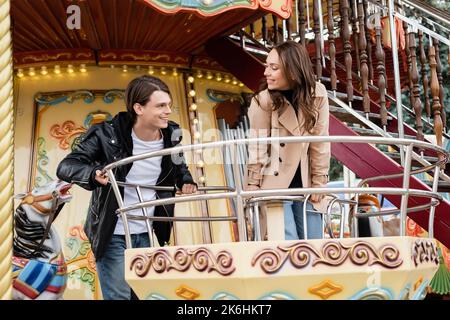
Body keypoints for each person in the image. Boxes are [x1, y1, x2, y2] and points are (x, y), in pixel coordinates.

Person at [57, 75, 197, 300]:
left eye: (169, 105)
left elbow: (179, 165)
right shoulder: (107, 133)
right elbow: (67, 166)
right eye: (161, 105)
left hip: (144, 230)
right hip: (113, 232)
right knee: (120, 297)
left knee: (142, 296)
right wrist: (93, 174)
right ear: (139, 108)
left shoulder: (172, 134)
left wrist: (186, 181)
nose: (168, 111)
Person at [245, 40, 330, 240]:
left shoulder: (317, 94)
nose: (266, 72)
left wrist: (319, 182)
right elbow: (257, 146)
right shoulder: (262, 100)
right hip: (275, 181)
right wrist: (253, 183)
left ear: (293, 70)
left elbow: (320, 142)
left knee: (314, 242)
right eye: (267, 66)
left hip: (307, 181)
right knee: (286, 243)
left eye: (274, 68)